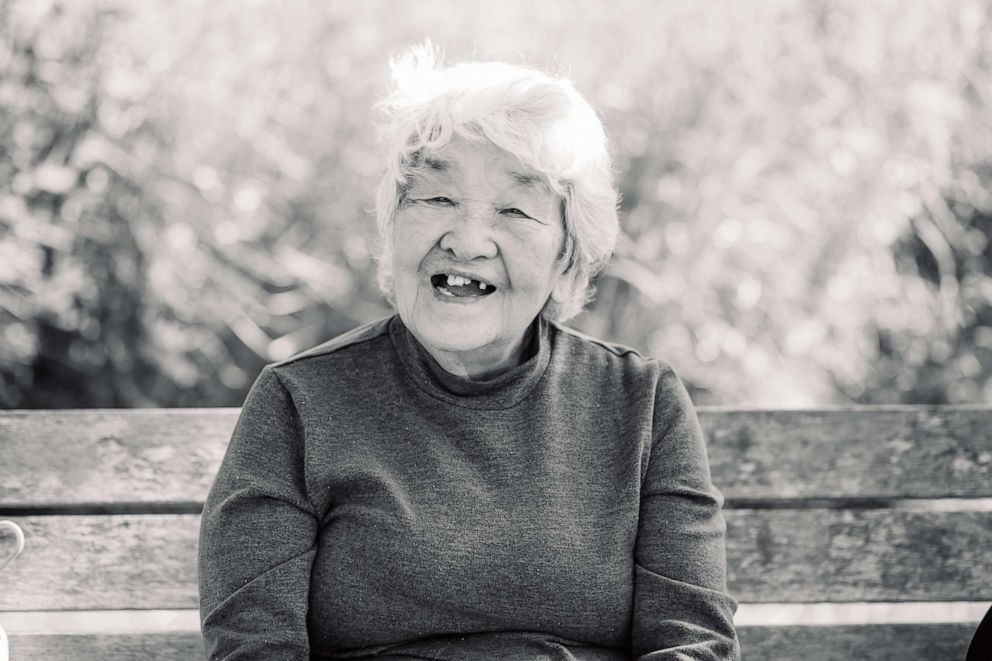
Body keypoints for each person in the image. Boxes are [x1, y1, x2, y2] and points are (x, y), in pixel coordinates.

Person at [198, 44, 740, 661]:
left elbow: (691, 643)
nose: (467, 239)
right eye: (435, 198)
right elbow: (253, 648)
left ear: (567, 255)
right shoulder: (299, 402)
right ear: (392, 223)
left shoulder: (642, 405)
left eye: (513, 210)